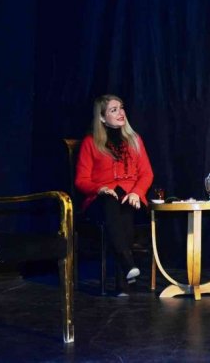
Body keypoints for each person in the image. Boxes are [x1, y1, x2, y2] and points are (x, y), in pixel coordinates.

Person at [75, 94, 154, 296]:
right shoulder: (90, 142)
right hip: (101, 201)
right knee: (112, 202)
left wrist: (137, 192)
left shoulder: (135, 140)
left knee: (125, 207)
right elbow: (81, 180)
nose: (121, 113)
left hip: (131, 199)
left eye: (121, 107)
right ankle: (126, 269)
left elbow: (147, 174)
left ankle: (125, 275)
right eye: (114, 110)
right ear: (102, 117)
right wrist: (99, 189)